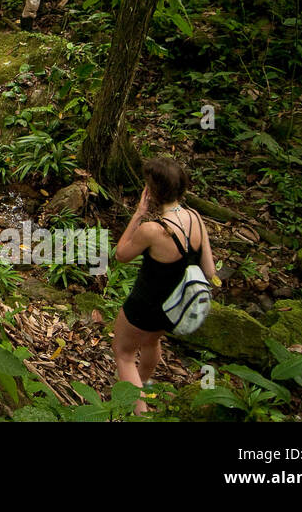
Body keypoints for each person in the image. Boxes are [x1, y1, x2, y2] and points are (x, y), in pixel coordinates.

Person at [112, 156, 219, 415]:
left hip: (143, 306)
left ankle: (140, 412)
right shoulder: (195, 218)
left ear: (153, 192)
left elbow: (121, 255)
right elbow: (210, 270)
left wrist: (138, 213)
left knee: (123, 353)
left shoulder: (153, 229)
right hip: (173, 307)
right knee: (150, 342)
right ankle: (141, 383)